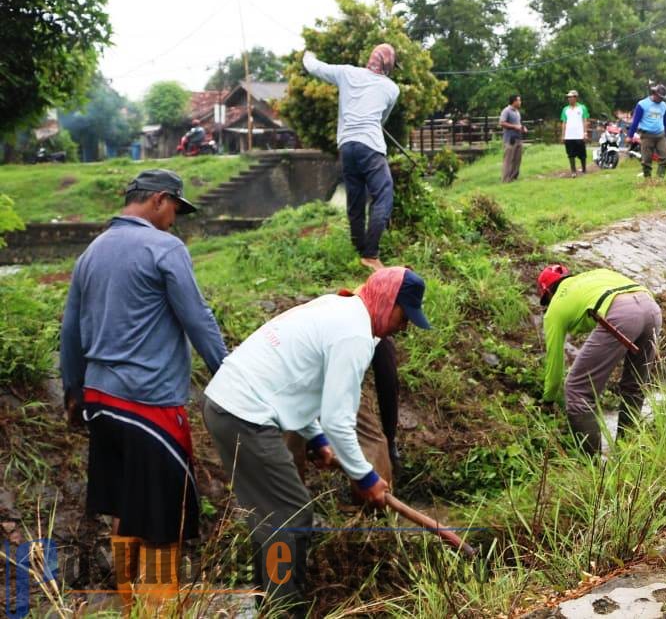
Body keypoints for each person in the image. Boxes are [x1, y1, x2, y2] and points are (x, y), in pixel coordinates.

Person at [202, 267, 431, 615]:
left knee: (276, 515)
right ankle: (283, 608)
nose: (405, 327)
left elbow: (302, 386)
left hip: (230, 405)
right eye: (405, 316)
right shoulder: (354, 335)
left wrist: (316, 438)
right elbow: (341, 422)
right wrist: (366, 478)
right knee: (290, 512)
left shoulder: (339, 310)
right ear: (387, 302)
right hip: (243, 414)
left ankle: (273, 603)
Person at [58, 169, 228, 610]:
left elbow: (71, 330)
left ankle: (126, 601)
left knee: (127, 510)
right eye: (175, 208)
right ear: (158, 200)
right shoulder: (164, 248)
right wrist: (228, 374)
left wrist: (74, 393)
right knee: (159, 520)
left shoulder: (92, 251)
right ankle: (158, 608)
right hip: (148, 406)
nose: (176, 219)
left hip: (101, 404)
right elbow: (198, 319)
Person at [537, 265, 661, 455]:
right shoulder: (594, 275)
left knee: (577, 388)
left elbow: (554, 365)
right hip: (651, 308)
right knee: (635, 386)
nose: (547, 305)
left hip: (621, 313)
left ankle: (593, 468)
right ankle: (627, 453)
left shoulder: (555, 307)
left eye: (545, 301)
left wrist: (548, 399)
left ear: (548, 293)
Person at [302, 44, 401, 269]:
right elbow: (382, 119)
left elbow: (314, 67)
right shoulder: (392, 88)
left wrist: (309, 54)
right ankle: (371, 254)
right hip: (371, 146)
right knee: (383, 195)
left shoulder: (346, 73)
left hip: (347, 147)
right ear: (388, 65)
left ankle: (359, 249)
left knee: (355, 200)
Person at [627, 83, 666, 179]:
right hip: (646, 136)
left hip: (660, 135)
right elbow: (635, 121)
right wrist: (630, 135)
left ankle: (659, 179)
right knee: (646, 161)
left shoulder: (663, 105)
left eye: (663, 98)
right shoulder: (642, 104)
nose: (661, 99)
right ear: (654, 94)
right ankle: (648, 180)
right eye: (660, 97)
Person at [561, 90, 590, 175]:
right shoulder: (565, 109)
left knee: (582, 153)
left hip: (579, 134)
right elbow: (564, 122)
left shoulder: (582, 108)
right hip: (569, 135)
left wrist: (585, 133)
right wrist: (563, 135)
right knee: (570, 154)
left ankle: (584, 169)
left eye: (571, 97)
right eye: (568, 97)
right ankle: (573, 171)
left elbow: (585, 120)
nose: (569, 99)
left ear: (575, 98)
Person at [500, 94, 528, 183]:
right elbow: (502, 123)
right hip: (509, 140)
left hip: (518, 138)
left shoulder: (517, 112)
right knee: (509, 159)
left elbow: (518, 124)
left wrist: (522, 128)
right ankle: (506, 179)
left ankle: (514, 178)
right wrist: (514, 127)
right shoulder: (506, 111)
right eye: (519, 100)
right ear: (514, 101)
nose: (520, 102)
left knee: (517, 159)